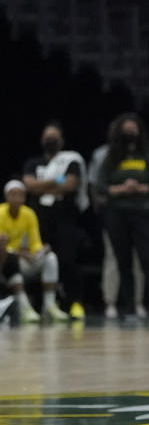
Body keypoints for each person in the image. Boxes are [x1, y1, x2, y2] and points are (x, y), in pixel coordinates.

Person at [97, 114, 149, 320]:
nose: (130, 134)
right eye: (126, 130)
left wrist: (138, 187)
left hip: (143, 213)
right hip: (116, 214)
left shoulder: (148, 156)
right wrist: (121, 189)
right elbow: (101, 186)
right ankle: (129, 307)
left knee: (148, 260)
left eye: (133, 130)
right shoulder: (111, 158)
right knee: (123, 261)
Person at [21, 122, 89, 320]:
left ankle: (74, 303)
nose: (50, 140)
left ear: (61, 141)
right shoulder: (33, 162)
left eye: (54, 136)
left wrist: (42, 185)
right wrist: (56, 181)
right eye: (47, 136)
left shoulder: (71, 160)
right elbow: (29, 185)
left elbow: (70, 184)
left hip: (65, 218)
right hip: (40, 220)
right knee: (40, 259)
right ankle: (42, 305)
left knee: (67, 260)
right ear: (42, 140)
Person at [0, 181, 69, 322]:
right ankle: (25, 308)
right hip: (7, 261)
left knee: (50, 257)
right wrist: (19, 252)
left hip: (26, 259)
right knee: (11, 259)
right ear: (6, 196)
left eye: (20, 195)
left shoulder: (29, 214)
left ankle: (50, 305)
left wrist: (40, 251)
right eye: (13, 195)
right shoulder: (0, 213)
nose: (17, 198)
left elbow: (35, 242)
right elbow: (1, 246)